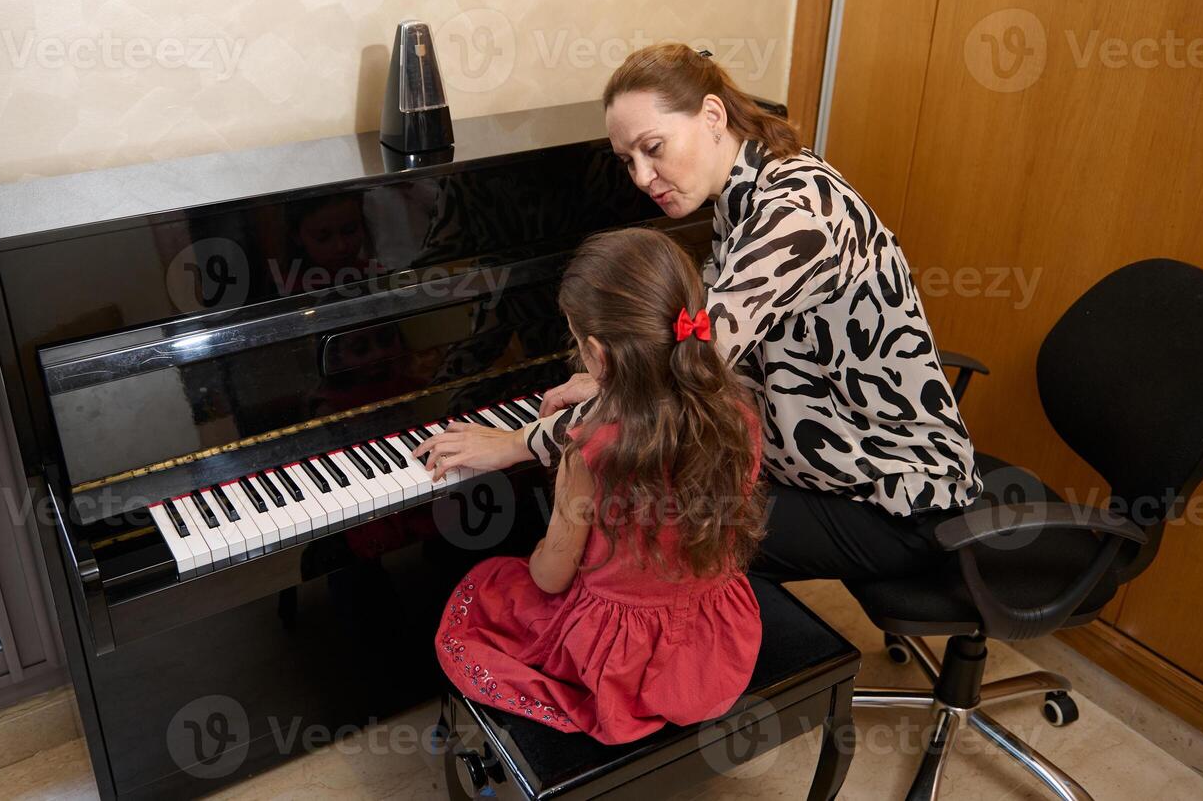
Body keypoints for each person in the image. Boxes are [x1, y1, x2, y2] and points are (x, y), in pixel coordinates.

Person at [416, 42, 982, 583]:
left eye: (653, 148)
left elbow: (681, 371)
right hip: (821, 472)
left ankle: (708, 673)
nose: (640, 177)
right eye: (626, 160)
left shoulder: (795, 215)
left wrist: (521, 442)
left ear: (712, 115)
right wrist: (602, 378)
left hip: (894, 498)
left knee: (661, 529)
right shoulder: (746, 195)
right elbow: (697, 340)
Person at [434, 228, 765, 743]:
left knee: (489, 585)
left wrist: (541, 548)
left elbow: (550, 578)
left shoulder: (590, 449)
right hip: (712, 642)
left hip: (619, 661)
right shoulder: (738, 415)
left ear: (595, 353)